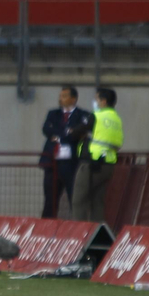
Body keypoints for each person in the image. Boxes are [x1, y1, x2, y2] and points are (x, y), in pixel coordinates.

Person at [71, 87, 122, 224]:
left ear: (104, 101)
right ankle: (97, 235)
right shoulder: (116, 119)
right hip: (108, 165)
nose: (95, 102)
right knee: (97, 202)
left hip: (92, 163)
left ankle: (79, 234)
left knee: (79, 200)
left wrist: (72, 132)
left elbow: (77, 132)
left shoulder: (97, 116)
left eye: (97, 99)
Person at [41, 86, 93, 218]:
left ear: (73, 99)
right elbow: (47, 129)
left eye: (64, 96)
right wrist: (67, 132)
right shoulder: (53, 114)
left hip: (72, 164)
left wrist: (59, 135)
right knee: (50, 200)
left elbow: (82, 130)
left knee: (74, 198)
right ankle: (47, 227)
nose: (60, 99)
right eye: (60, 96)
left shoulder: (83, 115)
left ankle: (78, 228)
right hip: (53, 164)